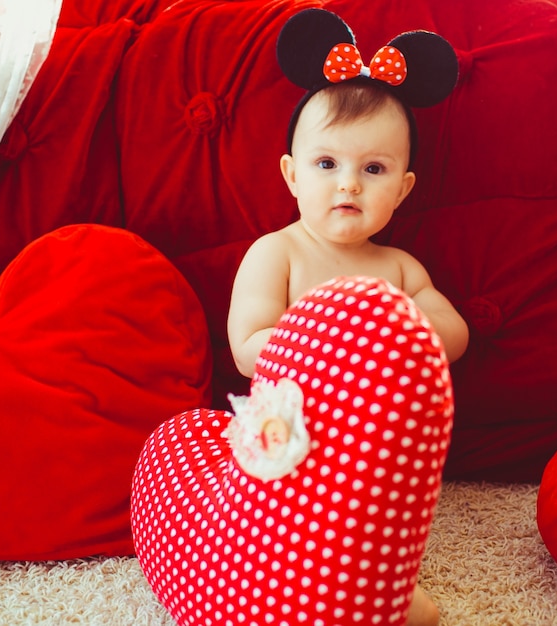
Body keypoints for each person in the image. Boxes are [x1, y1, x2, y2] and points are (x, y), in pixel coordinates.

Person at [227, 62, 469, 626]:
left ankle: (373, 590)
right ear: (292, 175)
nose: (349, 183)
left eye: (374, 168)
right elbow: (247, 345)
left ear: (403, 189)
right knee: (277, 532)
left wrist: (390, 330)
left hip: (373, 461)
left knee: (371, 536)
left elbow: (452, 335)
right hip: (289, 447)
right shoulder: (277, 252)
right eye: (327, 164)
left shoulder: (399, 268)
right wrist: (336, 342)